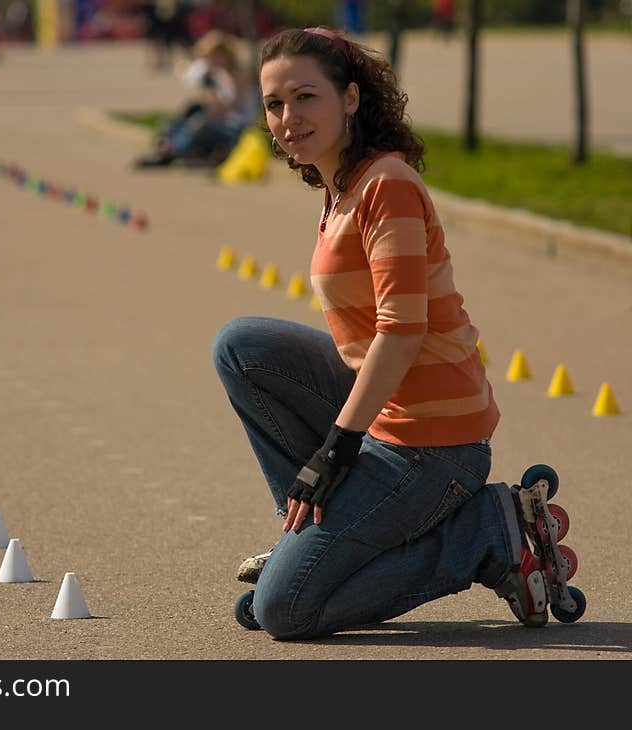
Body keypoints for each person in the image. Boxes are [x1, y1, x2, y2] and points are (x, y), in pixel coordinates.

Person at [211, 27, 581, 639]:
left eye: (306, 97)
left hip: (436, 444)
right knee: (242, 347)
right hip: (389, 417)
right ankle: (308, 540)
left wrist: (334, 449)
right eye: (275, 104)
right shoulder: (341, 188)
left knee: (286, 611)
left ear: (350, 99)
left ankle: (487, 533)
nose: (287, 118)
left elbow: (402, 333)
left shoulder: (387, 186)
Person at [134, 29, 259, 169]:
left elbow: (231, 106)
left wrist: (212, 101)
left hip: (238, 127)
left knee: (199, 124)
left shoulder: (240, 74)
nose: (209, 62)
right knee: (191, 110)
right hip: (224, 120)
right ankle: (167, 144)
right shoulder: (220, 74)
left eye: (211, 57)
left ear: (222, 55)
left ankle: (170, 151)